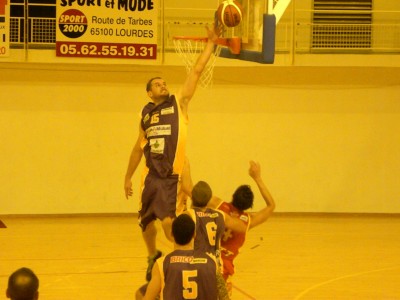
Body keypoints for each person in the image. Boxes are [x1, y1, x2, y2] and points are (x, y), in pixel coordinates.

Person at [124, 23, 223, 281]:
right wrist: (126, 178)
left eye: (164, 82)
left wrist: (210, 44)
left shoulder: (178, 104)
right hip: (149, 178)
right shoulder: (145, 115)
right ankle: (152, 256)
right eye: (157, 84)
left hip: (170, 178)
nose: (163, 85)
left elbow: (197, 72)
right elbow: (137, 149)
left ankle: (194, 258)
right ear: (149, 92)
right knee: (145, 224)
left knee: (170, 228)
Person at [208, 160, 276, 296]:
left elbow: (194, 193)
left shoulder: (217, 204)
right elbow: (271, 206)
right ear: (249, 206)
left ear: (233, 196)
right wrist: (257, 178)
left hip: (207, 257)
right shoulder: (248, 221)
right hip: (224, 266)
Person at [140, 214, 224, 300]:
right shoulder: (212, 261)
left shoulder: (161, 264)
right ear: (194, 234)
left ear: (171, 234)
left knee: (139, 294)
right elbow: (224, 295)